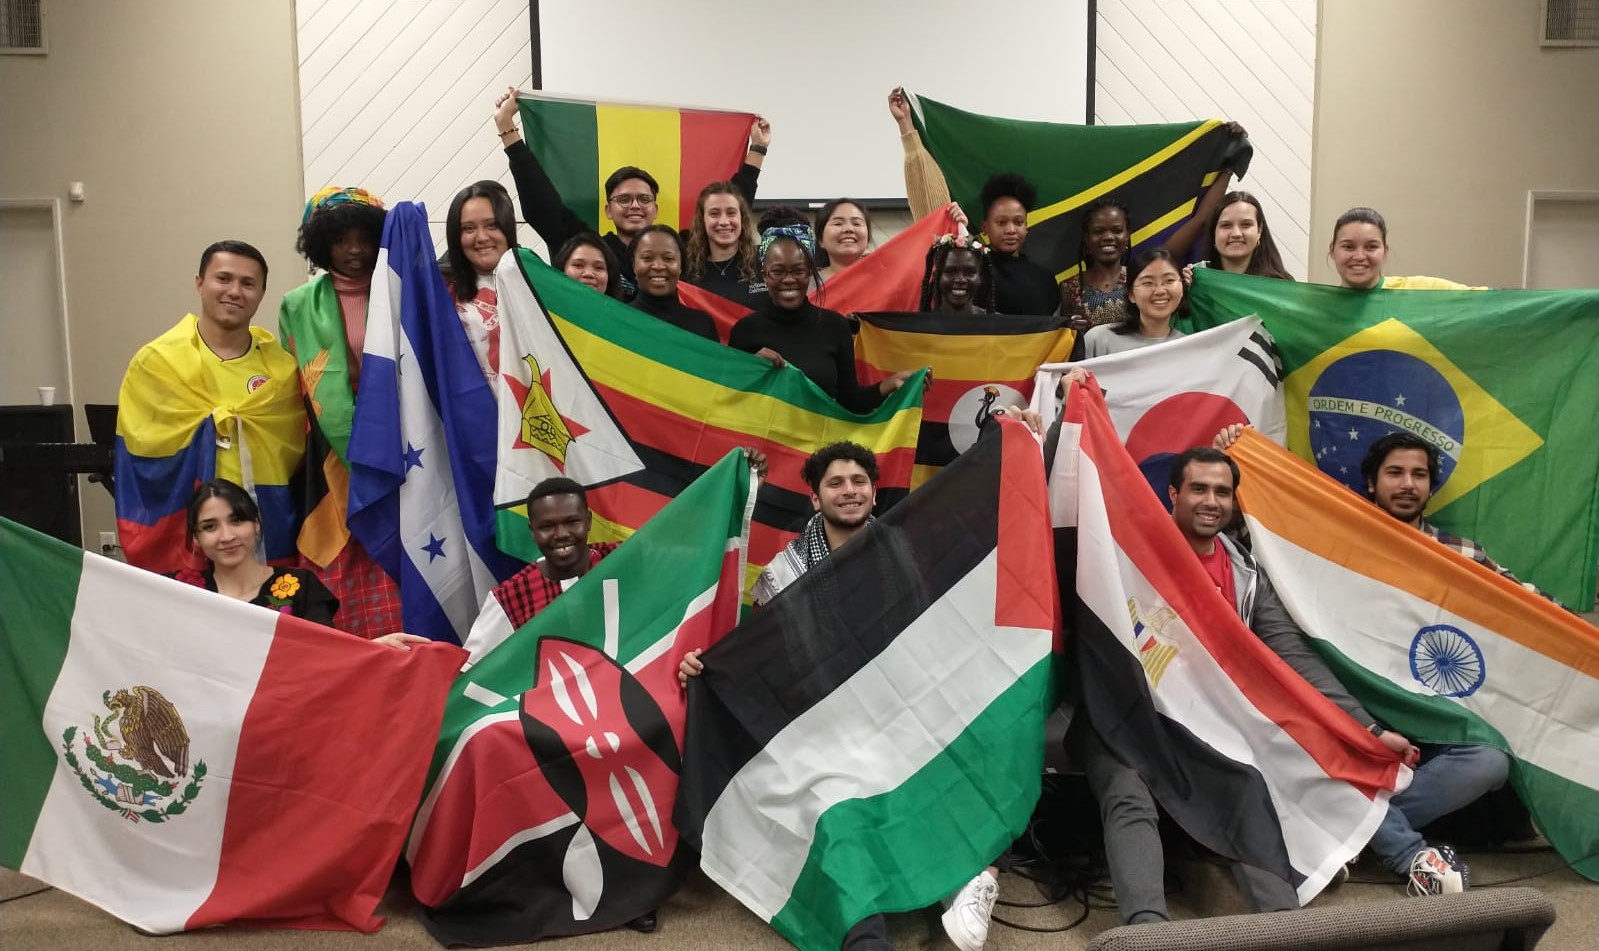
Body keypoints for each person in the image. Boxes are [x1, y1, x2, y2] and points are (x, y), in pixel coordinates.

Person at [682, 443, 999, 951]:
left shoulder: (906, 552)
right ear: (815, 498)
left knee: (942, 775)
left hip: (899, 709)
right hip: (820, 724)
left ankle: (966, 880)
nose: (849, 491)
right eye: (836, 482)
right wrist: (706, 666)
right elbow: (758, 657)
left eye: (858, 481)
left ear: (874, 492)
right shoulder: (782, 574)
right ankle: (865, 937)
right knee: (839, 814)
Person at [116, 241, 306, 574]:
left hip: (264, 528)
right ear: (199, 282)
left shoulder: (282, 370)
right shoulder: (158, 363)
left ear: (262, 293)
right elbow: (140, 455)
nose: (234, 291)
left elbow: (295, 452)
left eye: (248, 284)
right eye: (223, 279)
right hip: (186, 527)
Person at [494, 86, 770, 300]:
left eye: (644, 199)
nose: (635, 205)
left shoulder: (682, 249)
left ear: (656, 208)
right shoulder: (591, 249)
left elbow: (729, 208)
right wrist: (507, 130)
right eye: (624, 199)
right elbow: (543, 207)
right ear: (608, 210)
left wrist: (757, 150)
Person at [279, 186, 402, 640]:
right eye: (340, 239)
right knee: (342, 561)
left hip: (400, 448)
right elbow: (291, 385)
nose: (354, 249)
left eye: (364, 237)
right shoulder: (296, 305)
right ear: (320, 243)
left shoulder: (402, 293)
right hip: (332, 454)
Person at [172, 480, 428, 650]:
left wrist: (375, 648)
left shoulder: (301, 587)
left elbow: (328, 656)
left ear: (256, 524)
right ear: (196, 538)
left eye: (237, 521)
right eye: (210, 527)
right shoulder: (175, 591)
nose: (227, 536)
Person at [1062, 125, 1248, 330]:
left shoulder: (1144, 275)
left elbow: (1201, 220)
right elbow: (1059, 341)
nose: (1108, 237)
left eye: (1116, 230)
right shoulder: (1069, 288)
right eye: (1098, 231)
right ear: (1086, 238)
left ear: (1127, 235)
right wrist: (1065, 328)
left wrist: (1229, 166)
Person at [728, 226, 920, 411]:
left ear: (810, 273)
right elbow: (729, 401)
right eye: (778, 271)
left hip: (819, 443)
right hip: (762, 443)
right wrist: (750, 370)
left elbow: (851, 402)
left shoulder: (835, 327)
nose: (788, 279)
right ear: (765, 276)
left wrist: (890, 384)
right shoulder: (745, 331)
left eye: (798, 271)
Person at [462, 477, 618, 663]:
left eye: (572, 522)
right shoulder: (510, 599)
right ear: (532, 531)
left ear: (588, 521)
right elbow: (469, 671)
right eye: (547, 527)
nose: (561, 534)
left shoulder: (623, 559)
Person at [444, 180, 517, 383]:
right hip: (466, 409)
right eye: (468, 229)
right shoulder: (440, 290)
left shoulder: (537, 284)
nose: (482, 237)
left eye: (492, 225)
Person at [1329, 208, 1484, 290]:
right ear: (1332, 251)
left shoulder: (1422, 292)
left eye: (1371, 247)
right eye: (1348, 247)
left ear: (1385, 251)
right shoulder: (1316, 310)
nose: (1359, 256)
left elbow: (1480, 303)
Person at [975, 173, 1060, 316]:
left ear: (1026, 227)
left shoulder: (1045, 279)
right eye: (1001, 222)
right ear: (985, 228)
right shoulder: (973, 271)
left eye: (1018, 222)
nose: (1011, 230)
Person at [1081, 248, 1188, 357]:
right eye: (1148, 283)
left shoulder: (1189, 348)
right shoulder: (1098, 341)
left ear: (1182, 288)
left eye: (1169, 280)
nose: (1160, 291)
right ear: (1131, 294)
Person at [629, 224, 719, 341]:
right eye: (647, 258)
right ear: (633, 265)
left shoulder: (702, 324)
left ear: (681, 266)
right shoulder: (618, 320)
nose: (658, 266)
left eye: (668, 258)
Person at [683, 181, 764, 303]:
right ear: (702, 220)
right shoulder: (686, 270)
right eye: (714, 214)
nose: (724, 222)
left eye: (731, 213)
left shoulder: (765, 262)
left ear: (742, 218)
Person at [1200, 191, 1294, 279]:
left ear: (1259, 231)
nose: (1236, 234)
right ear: (1213, 232)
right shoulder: (1195, 280)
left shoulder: (1282, 286)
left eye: (1246, 225)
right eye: (1226, 225)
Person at [919, 233, 996, 315]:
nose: (960, 279)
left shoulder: (1002, 325)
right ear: (937, 276)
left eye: (969, 272)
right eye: (951, 272)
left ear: (980, 277)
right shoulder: (917, 326)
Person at [552, 231, 625, 299]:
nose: (588, 274)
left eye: (598, 267)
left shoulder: (623, 312)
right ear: (562, 270)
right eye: (578, 265)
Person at [815, 198, 872, 283]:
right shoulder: (806, 285)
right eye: (838, 223)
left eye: (856, 223)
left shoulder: (885, 279)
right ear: (820, 240)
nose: (848, 229)